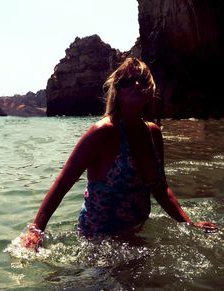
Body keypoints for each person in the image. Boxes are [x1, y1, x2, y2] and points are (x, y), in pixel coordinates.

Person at [21, 57, 217, 249]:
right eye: (127, 81)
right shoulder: (102, 132)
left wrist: (189, 224)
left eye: (142, 79)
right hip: (98, 241)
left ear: (151, 88)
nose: (136, 84)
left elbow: (161, 189)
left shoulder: (153, 133)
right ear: (118, 92)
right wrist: (35, 230)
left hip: (136, 234)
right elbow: (62, 184)